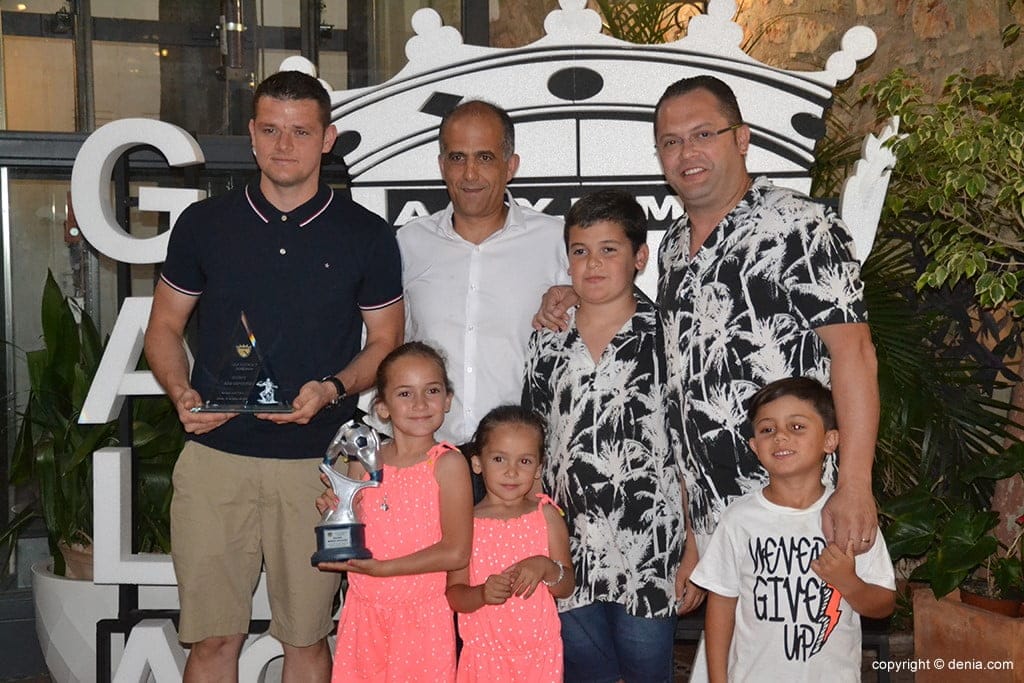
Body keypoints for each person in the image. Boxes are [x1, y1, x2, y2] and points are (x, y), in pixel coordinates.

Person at [536, 75, 880, 561]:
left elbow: (855, 353)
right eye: (671, 142)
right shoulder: (674, 247)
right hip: (711, 521)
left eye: (702, 134)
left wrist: (856, 486)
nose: (687, 153)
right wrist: (579, 292)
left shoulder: (800, 225)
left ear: (741, 139)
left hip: (794, 511)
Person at [144, 70, 404, 681]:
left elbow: (386, 342)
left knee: (307, 638)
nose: (284, 145)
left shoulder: (366, 234)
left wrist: (332, 388)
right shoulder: (204, 224)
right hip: (216, 457)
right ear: (252, 135)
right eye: (270, 130)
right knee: (212, 640)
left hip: (321, 465)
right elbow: (163, 328)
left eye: (301, 131)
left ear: (327, 139)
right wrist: (181, 393)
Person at [522, 190, 694, 682]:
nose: (592, 263)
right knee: (583, 671)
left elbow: (688, 448)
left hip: (651, 549)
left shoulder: (668, 336)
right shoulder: (546, 337)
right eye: (580, 251)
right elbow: (531, 439)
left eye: (609, 250)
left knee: (647, 670)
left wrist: (694, 547)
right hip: (566, 546)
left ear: (640, 257)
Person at [689, 377, 895, 682]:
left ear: (830, 441)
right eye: (767, 430)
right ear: (755, 446)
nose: (780, 437)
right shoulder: (739, 519)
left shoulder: (849, 517)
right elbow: (721, 605)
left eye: (796, 427)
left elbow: (884, 604)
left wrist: (848, 582)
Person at [398, 99, 569, 445]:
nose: (470, 174)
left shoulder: (557, 239)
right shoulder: (409, 242)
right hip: (431, 455)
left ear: (511, 166)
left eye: (485, 157)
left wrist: (577, 294)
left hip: (523, 460)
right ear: (442, 165)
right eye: (457, 158)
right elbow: (388, 349)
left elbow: (611, 317)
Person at [316, 341, 474, 682]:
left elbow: (457, 552)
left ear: (448, 400)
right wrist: (335, 510)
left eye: (432, 390)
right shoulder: (363, 463)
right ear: (382, 407)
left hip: (423, 619)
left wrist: (384, 569)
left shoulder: (448, 464)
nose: (420, 404)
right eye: (405, 393)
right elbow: (355, 532)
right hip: (363, 614)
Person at [446, 405, 574, 682]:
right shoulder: (465, 523)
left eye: (524, 461)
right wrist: (481, 593)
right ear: (477, 463)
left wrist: (546, 567)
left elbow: (566, 587)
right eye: (499, 459)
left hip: (540, 658)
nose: (512, 472)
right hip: (484, 660)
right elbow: (455, 595)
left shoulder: (547, 516)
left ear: (538, 468)